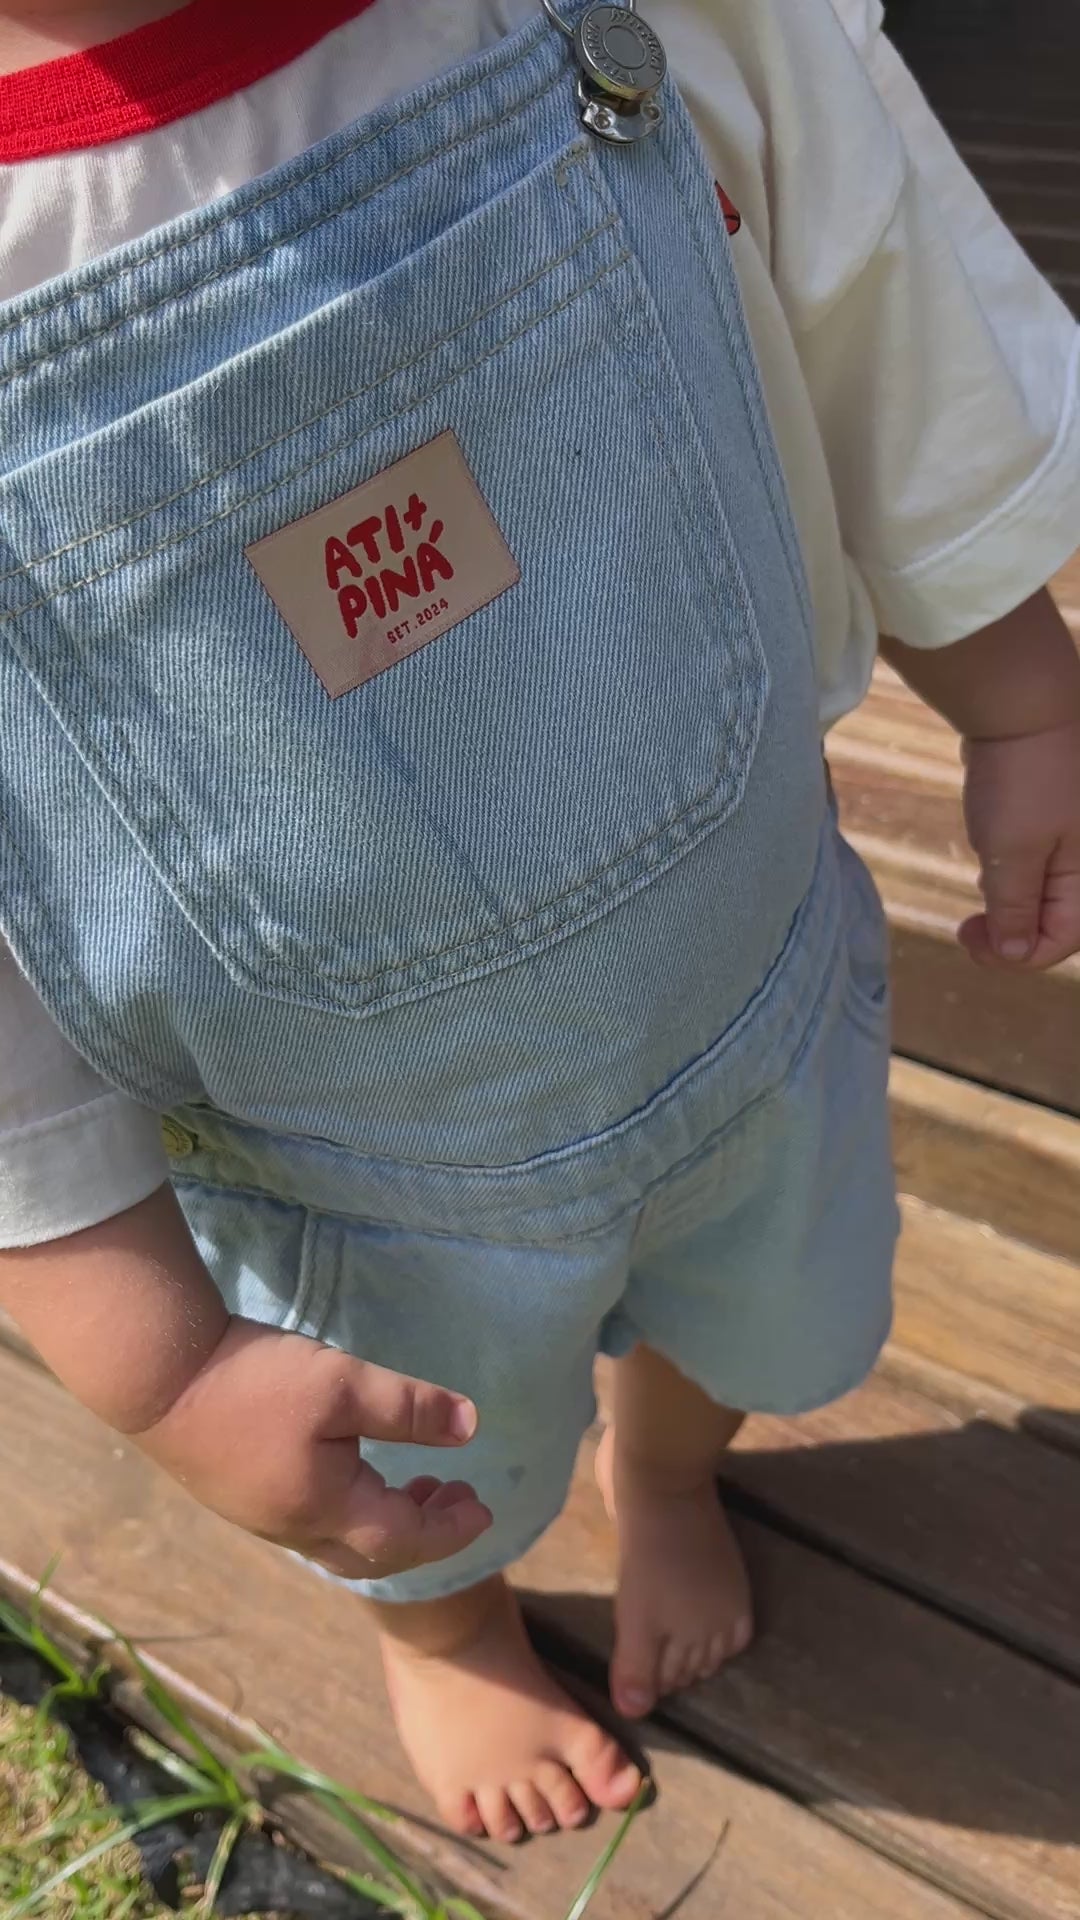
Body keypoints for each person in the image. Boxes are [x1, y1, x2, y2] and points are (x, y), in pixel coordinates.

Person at [1, 0, 1078, 1848]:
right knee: (413, 1473)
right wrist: (165, 1361)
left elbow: (868, 282)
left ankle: (670, 1478)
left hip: (740, 989)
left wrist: (1019, 695)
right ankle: (454, 1631)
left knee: (744, 1308)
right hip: (351, 1171)